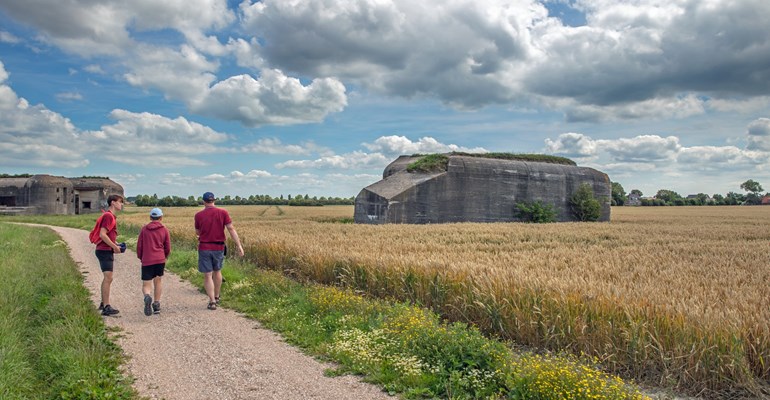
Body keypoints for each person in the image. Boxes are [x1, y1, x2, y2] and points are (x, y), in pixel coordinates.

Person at [194, 191, 244, 310]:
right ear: (214, 200)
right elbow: (231, 229)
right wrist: (239, 246)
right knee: (217, 271)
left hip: (204, 247)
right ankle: (217, 296)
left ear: (203, 201)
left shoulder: (198, 215)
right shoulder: (223, 212)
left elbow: (197, 232)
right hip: (219, 247)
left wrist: (202, 234)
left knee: (207, 275)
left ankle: (212, 301)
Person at [136, 207, 171, 316]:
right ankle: (156, 305)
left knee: (146, 284)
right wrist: (164, 256)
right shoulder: (164, 229)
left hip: (147, 259)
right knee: (158, 281)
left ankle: (147, 296)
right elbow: (167, 246)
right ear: (161, 217)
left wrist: (141, 257)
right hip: (160, 259)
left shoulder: (144, 229)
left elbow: (139, 246)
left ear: (150, 217)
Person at [95, 194, 125, 316]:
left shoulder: (110, 216)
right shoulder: (108, 216)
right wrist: (114, 247)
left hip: (104, 249)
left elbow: (106, 235)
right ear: (113, 202)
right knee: (108, 278)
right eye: (120, 202)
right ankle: (106, 307)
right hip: (104, 250)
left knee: (108, 278)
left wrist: (115, 244)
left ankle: (103, 303)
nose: (121, 204)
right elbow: (102, 234)